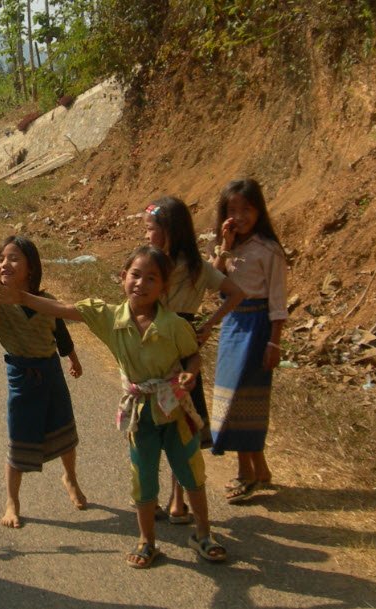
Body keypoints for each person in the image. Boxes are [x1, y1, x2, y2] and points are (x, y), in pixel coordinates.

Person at [0, 245, 227, 567]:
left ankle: (203, 533)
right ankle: (146, 541)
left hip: (175, 413)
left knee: (190, 474)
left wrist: (190, 374)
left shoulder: (174, 325)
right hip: (140, 416)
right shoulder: (110, 317)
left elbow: (193, 354)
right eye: (135, 275)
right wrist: (24, 299)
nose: (141, 283)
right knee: (143, 478)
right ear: (122, 278)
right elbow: (64, 309)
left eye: (151, 278)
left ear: (164, 288)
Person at [0, 236, 86, 529]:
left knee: (65, 432)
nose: (4, 264)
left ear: (31, 268)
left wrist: (72, 357)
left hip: (51, 373)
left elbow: (59, 331)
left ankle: (69, 477)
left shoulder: (45, 301)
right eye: (0, 259)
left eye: (13, 258)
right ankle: (12, 501)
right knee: (18, 440)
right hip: (22, 379)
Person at [143, 196, 245, 521]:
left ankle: (154, 498)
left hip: (157, 350)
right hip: (188, 349)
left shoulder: (157, 268)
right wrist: (207, 326)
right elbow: (236, 293)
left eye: (150, 229)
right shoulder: (198, 267)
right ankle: (178, 502)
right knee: (181, 427)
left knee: (153, 425)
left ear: (167, 231)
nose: (147, 236)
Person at [209, 178, 287, 504]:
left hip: (256, 327)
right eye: (232, 210)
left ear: (259, 211)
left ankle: (246, 473)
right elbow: (215, 284)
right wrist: (224, 249)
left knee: (244, 400)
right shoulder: (229, 248)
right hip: (232, 324)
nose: (239, 216)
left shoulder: (269, 250)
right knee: (230, 397)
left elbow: (278, 302)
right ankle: (261, 469)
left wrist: (274, 342)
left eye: (246, 209)